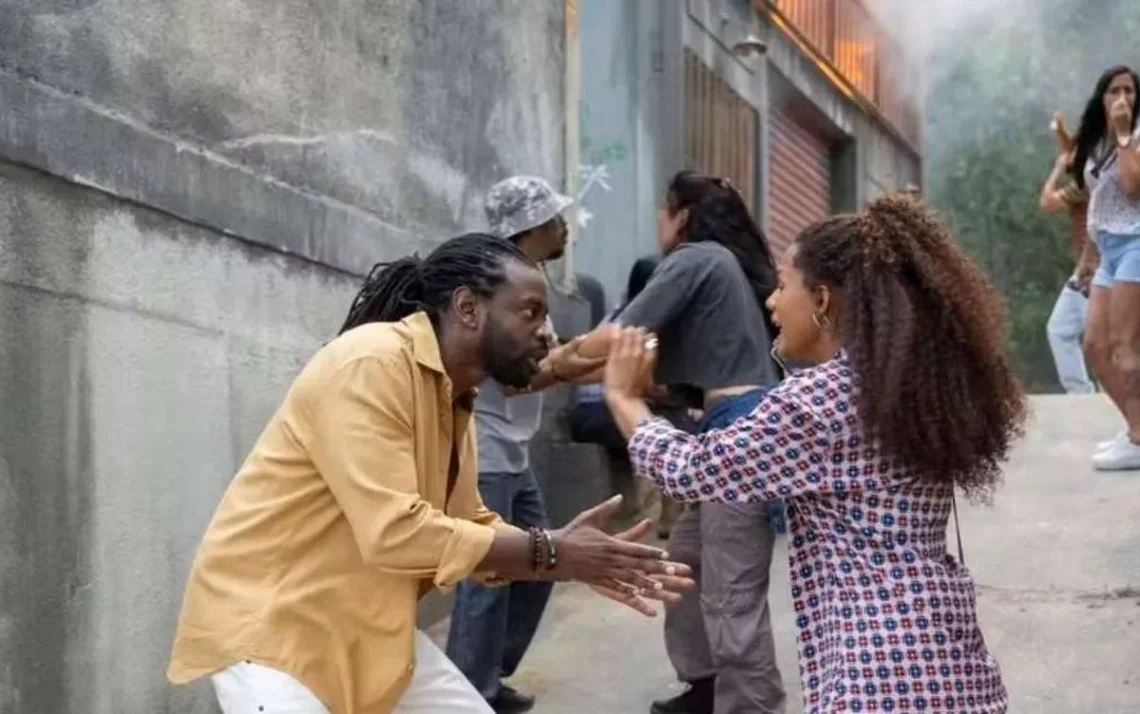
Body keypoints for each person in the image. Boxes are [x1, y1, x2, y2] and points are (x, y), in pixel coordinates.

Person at [166, 233, 692, 714]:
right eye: (530, 312)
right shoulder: (370, 363)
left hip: (359, 622)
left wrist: (568, 557)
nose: (546, 334)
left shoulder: (451, 392)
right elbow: (396, 532)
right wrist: (552, 551)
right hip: (272, 627)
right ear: (468, 308)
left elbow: (469, 522)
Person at [604, 195, 1026, 714]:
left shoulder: (822, 401)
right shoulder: (907, 386)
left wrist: (624, 398)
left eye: (783, 286)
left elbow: (691, 471)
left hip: (877, 674)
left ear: (822, 299)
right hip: (948, 656)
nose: (771, 303)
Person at [573, 171, 787, 714]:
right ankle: (708, 686)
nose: (657, 224)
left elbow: (617, 339)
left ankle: (752, 707)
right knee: (687, 561)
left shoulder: (697, 258)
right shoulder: (722, 268)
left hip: (739, 431)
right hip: (732, 427)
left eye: (660, 212)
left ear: (681, 215)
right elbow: (642, 363)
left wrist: (548, 361)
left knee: (731, 596)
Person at [443, 176, 585, 714]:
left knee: (538, 565)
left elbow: (543, 360)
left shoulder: (530, 281)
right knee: (488, 575)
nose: (563, 226)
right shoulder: (498, 287)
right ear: (528, 229)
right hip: (489, 449)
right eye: (553, 219)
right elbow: (512, 376)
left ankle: (485, 672)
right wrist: (576, 362)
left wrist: (584, 359)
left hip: (511, 452)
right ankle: (467, 693)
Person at [1068, 66, 1140, 469]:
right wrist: (1087, 260)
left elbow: (1132, 186)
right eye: (1115, 90)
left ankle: (1138, 438)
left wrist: (1126, 132)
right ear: (1102, 96)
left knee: (1124, 346)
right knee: (1094, 345)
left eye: (1130, 90)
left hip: (1137, 244)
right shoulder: (1095, 142)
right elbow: (1099, 203)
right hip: (1108, 249)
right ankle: (1136, 426)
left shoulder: (1135, 133)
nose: (1123, 97)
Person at [1039, 114, 1096, 395]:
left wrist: (1056, 168)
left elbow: (1046, 202)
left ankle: (1121, 406)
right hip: (1086, 271)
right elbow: (1071, 149)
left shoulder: (1083, 186)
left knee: (1104, 342)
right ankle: (1082, 396)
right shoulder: (1088, 174)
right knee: (1060, 329)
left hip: (1099, 270)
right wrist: (1060, 131)